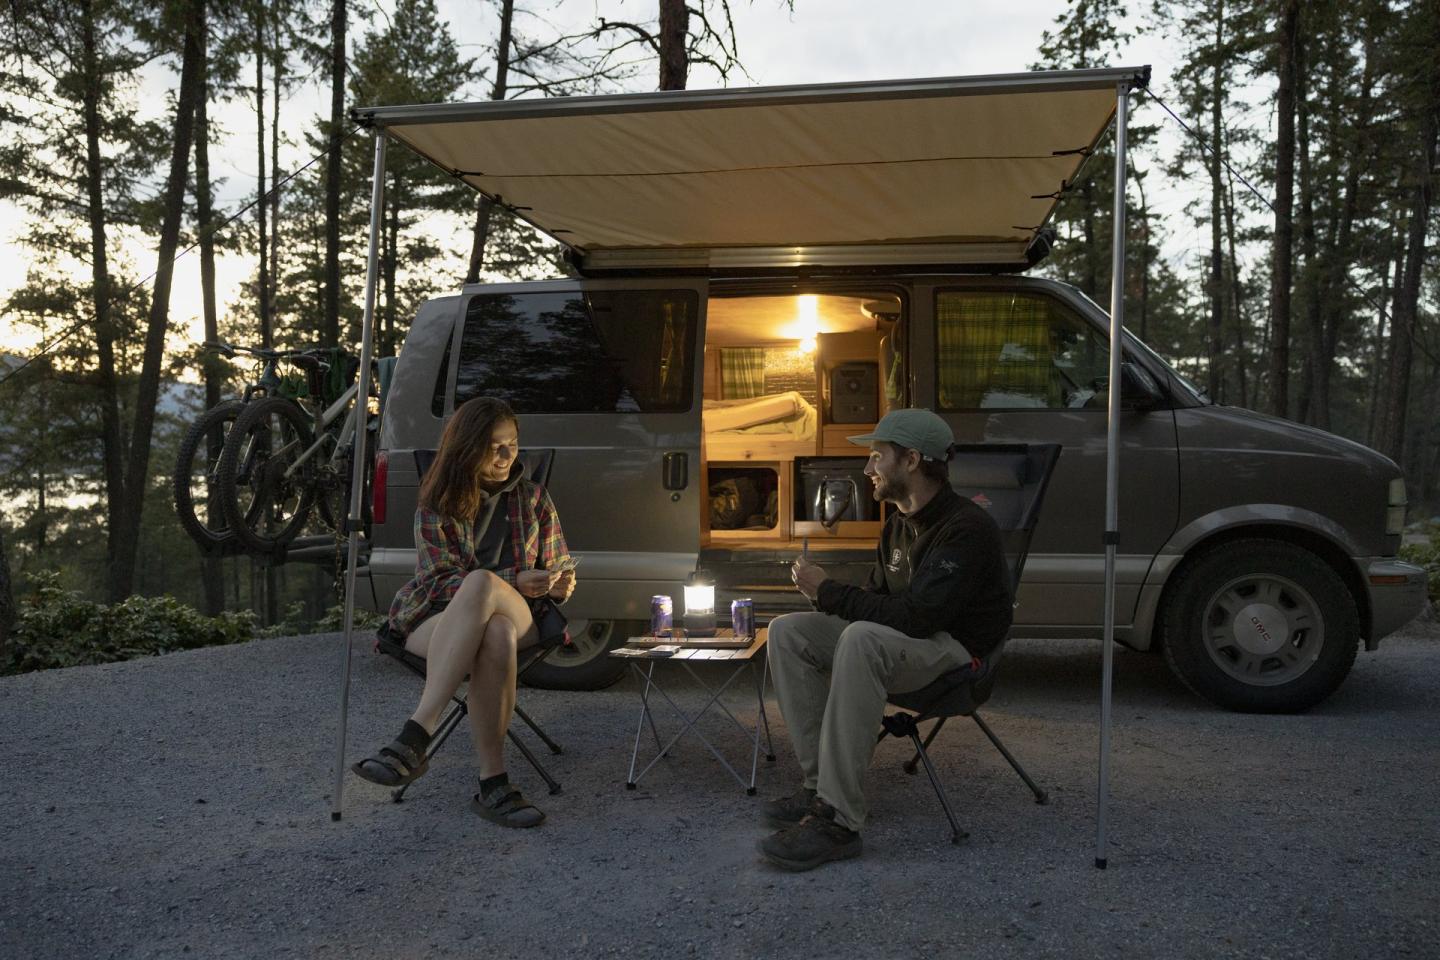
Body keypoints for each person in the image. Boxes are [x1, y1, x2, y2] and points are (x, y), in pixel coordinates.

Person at [757, 408, 1012, 871]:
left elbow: (919, 617)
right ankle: (819, 787)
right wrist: (824, 597)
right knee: (788, 631)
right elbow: (879, 598)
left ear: (911, 460)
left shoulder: (965, 529)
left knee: (861, 638)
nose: (867, 470)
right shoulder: (897, 523)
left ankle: (839, 822)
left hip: (955, 653)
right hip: (908, 641)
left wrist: (830, 591)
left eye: (877, 457)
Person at [351, 396, 575, 828]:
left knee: (486, 587)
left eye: (512, 444)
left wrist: (559, 583)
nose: (507, 456)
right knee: (493, 630)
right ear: (468, 447)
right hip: (439, 613)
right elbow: (438, 578)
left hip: (523, 611)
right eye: (494, 446)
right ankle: (495, 783)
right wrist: (508, 577)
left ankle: (415, 736)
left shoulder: (535, 499)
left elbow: (557, 567)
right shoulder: (440, 502)